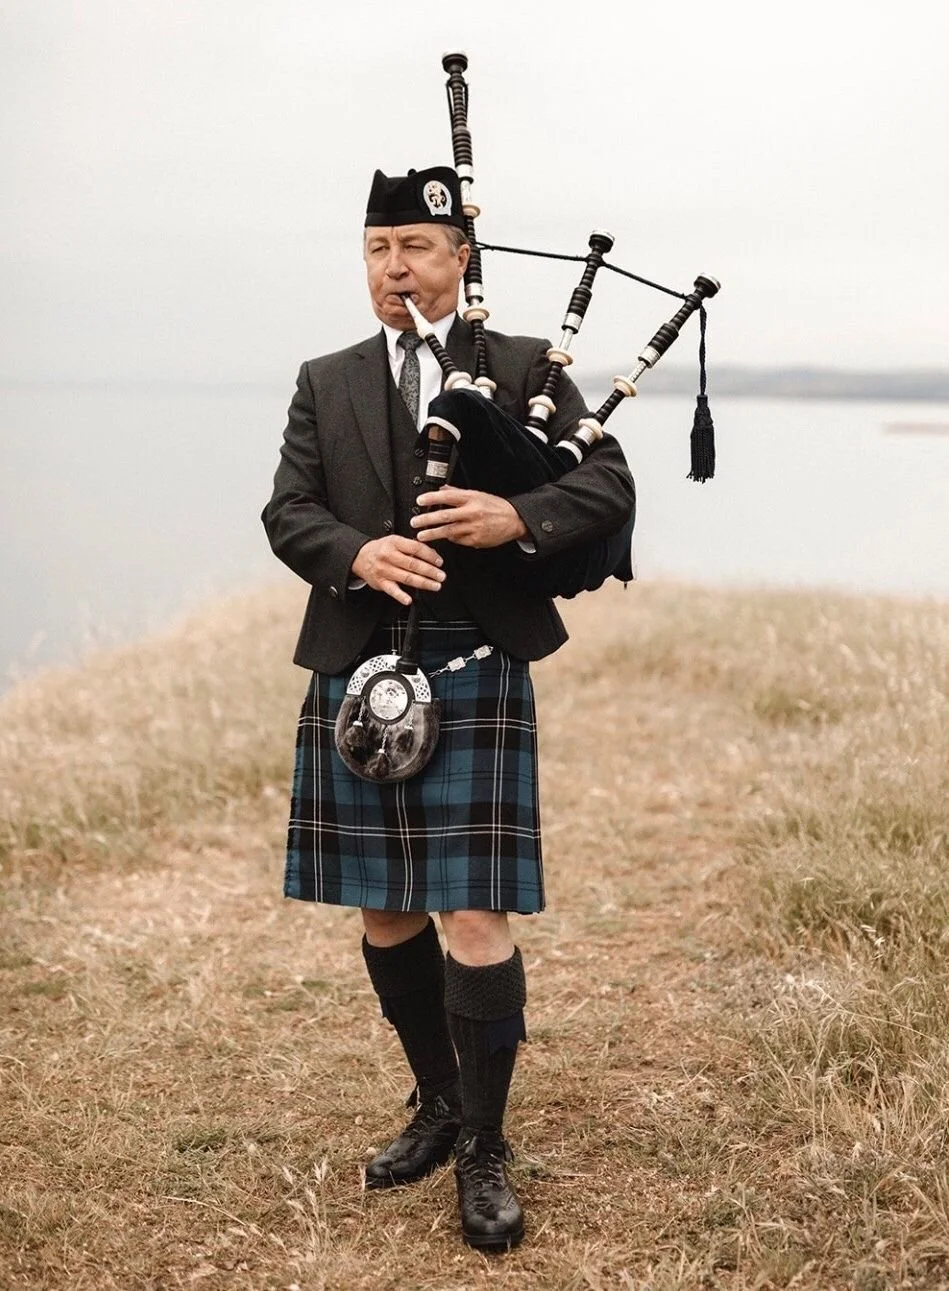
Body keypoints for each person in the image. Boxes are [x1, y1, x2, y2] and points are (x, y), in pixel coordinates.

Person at [262, 165, 635, 1252]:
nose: (394, 269)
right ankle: (434, 1096)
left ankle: (483, 1143)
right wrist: (351, 550)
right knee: (384, 908)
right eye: (377, 249)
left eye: (416, 248)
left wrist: (509, 516)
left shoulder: (522, 368)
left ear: (462, 254)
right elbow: (288, 509)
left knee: (473, 912)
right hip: (357, 670)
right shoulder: (324, 380)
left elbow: (605, 487)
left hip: (473, 665)